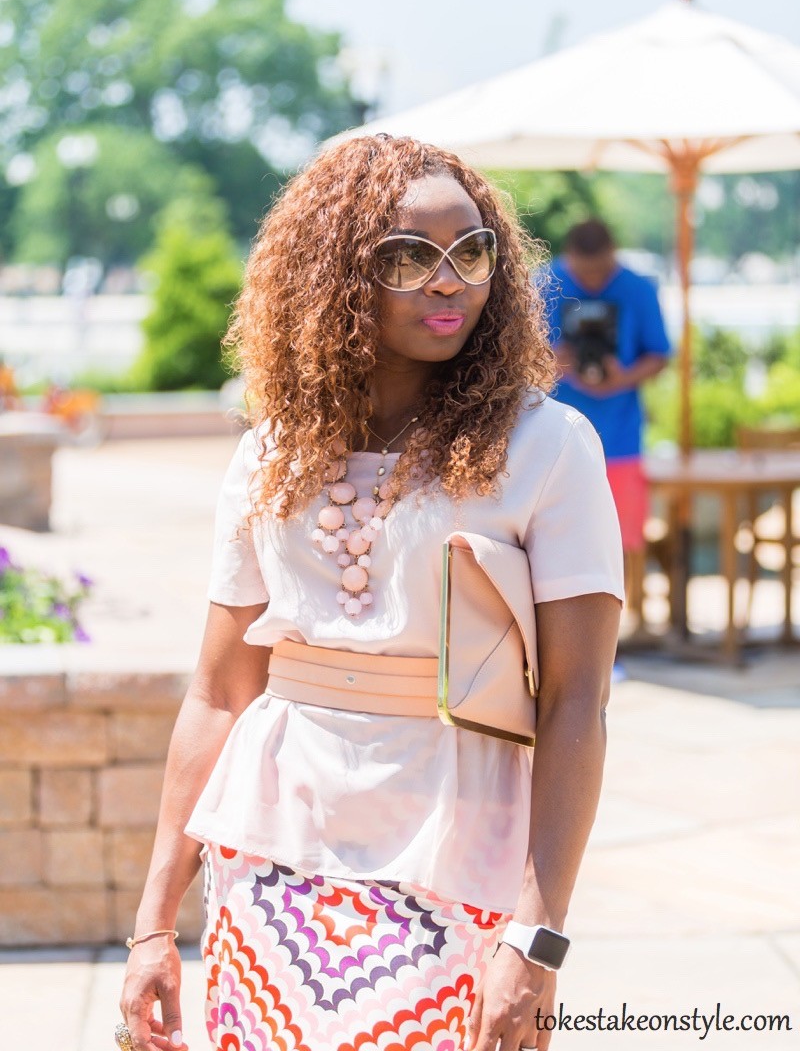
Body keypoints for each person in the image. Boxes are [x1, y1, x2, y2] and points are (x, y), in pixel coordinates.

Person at [118, 136, 624, 1051]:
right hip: (269, 857)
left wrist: (537, 939)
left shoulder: (549, 450)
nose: (449, 281)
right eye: (410, 257)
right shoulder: (270, 454)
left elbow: (580, 705)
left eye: (472, 253)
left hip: (457, 852)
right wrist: (154, 920)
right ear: (338, 275)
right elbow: (221, 692)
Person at [542, 219, 670, 623]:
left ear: (614, 255)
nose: (593, 281)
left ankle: (633, 624)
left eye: (600, 271)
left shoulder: (638, 287)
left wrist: (624, 377)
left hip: (620, 437)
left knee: (627, 534)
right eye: (585, 272)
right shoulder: (542, 284)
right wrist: (551, 361)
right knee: (557, 538)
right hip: (553, 442)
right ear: (569, 259)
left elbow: (660, 353)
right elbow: (512, 357)